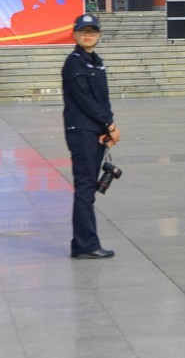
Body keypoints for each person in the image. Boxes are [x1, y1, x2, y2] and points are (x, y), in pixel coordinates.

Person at [63, 14, 119, 259]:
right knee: (85, 189)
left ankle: (80, 244)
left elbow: (102, 99)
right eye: (83, 31)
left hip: (94, 131)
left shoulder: (96, 61)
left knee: (86, 188)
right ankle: (87, 245)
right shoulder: (74, 63)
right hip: (82, 131)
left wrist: (107, 129)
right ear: (74, 34)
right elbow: (84, 100)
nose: (88, 35)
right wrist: (108, 124)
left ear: (99, 35)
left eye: (93, 31)